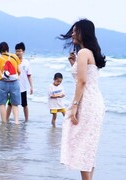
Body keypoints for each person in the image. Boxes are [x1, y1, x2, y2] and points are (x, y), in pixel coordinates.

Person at [59, 19, 106, 180]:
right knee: (88, 147)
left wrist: (74, 105)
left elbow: (82, 81)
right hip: (94, 101)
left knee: (82, 146)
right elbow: (84, 76)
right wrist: (74, 63)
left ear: (83, 33)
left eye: (75, 30)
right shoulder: (88, 53)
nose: (72, 33)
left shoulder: (84, 52)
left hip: (87, 102)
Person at [0, 42, 21, 124]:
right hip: (14, 82)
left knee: (2, 103)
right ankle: (16, 122)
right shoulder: (15, 57)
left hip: (3, 82)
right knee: (15, 104)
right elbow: (19, 71)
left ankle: (4, 122)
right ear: (8, 49)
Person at [6, 42, 33, 122]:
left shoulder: (26, 63)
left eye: (19, 51)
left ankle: (26, 120)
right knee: (10, 104)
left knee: (24, 105)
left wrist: (31, 86)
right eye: (16, 51)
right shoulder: (12, 61)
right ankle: (6, 119)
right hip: (13, 87)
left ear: (23, 51)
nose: (18, 53)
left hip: (23, 88)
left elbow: (29, 75)